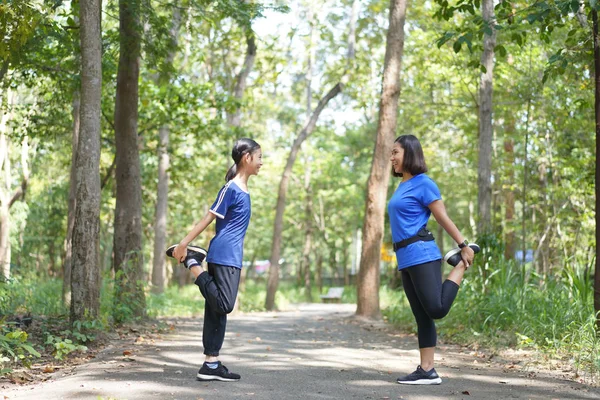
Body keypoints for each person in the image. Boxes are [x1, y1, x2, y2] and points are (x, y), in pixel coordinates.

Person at [167, 138, 262, 382]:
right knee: (225, 304)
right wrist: (184, 244)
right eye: (259, 157)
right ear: (246, 158)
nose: (262, 162)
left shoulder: (242, 189)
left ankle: (211, 364)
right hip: (224, 254)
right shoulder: (230, 188)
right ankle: (193, 262)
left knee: (216, 311)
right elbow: (209, 217)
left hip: (231, 254)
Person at [388, 134, 479, 385]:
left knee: (437, 309)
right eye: (391, 153)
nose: (392, 157)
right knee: (422, 315)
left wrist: (463, 246)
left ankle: (460, 264)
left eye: (395, 152)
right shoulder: (402, 185)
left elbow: (442, 217)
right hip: (405, 257)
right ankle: (427, 370)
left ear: (410, 152)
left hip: (422, 253)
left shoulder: (424, 183)